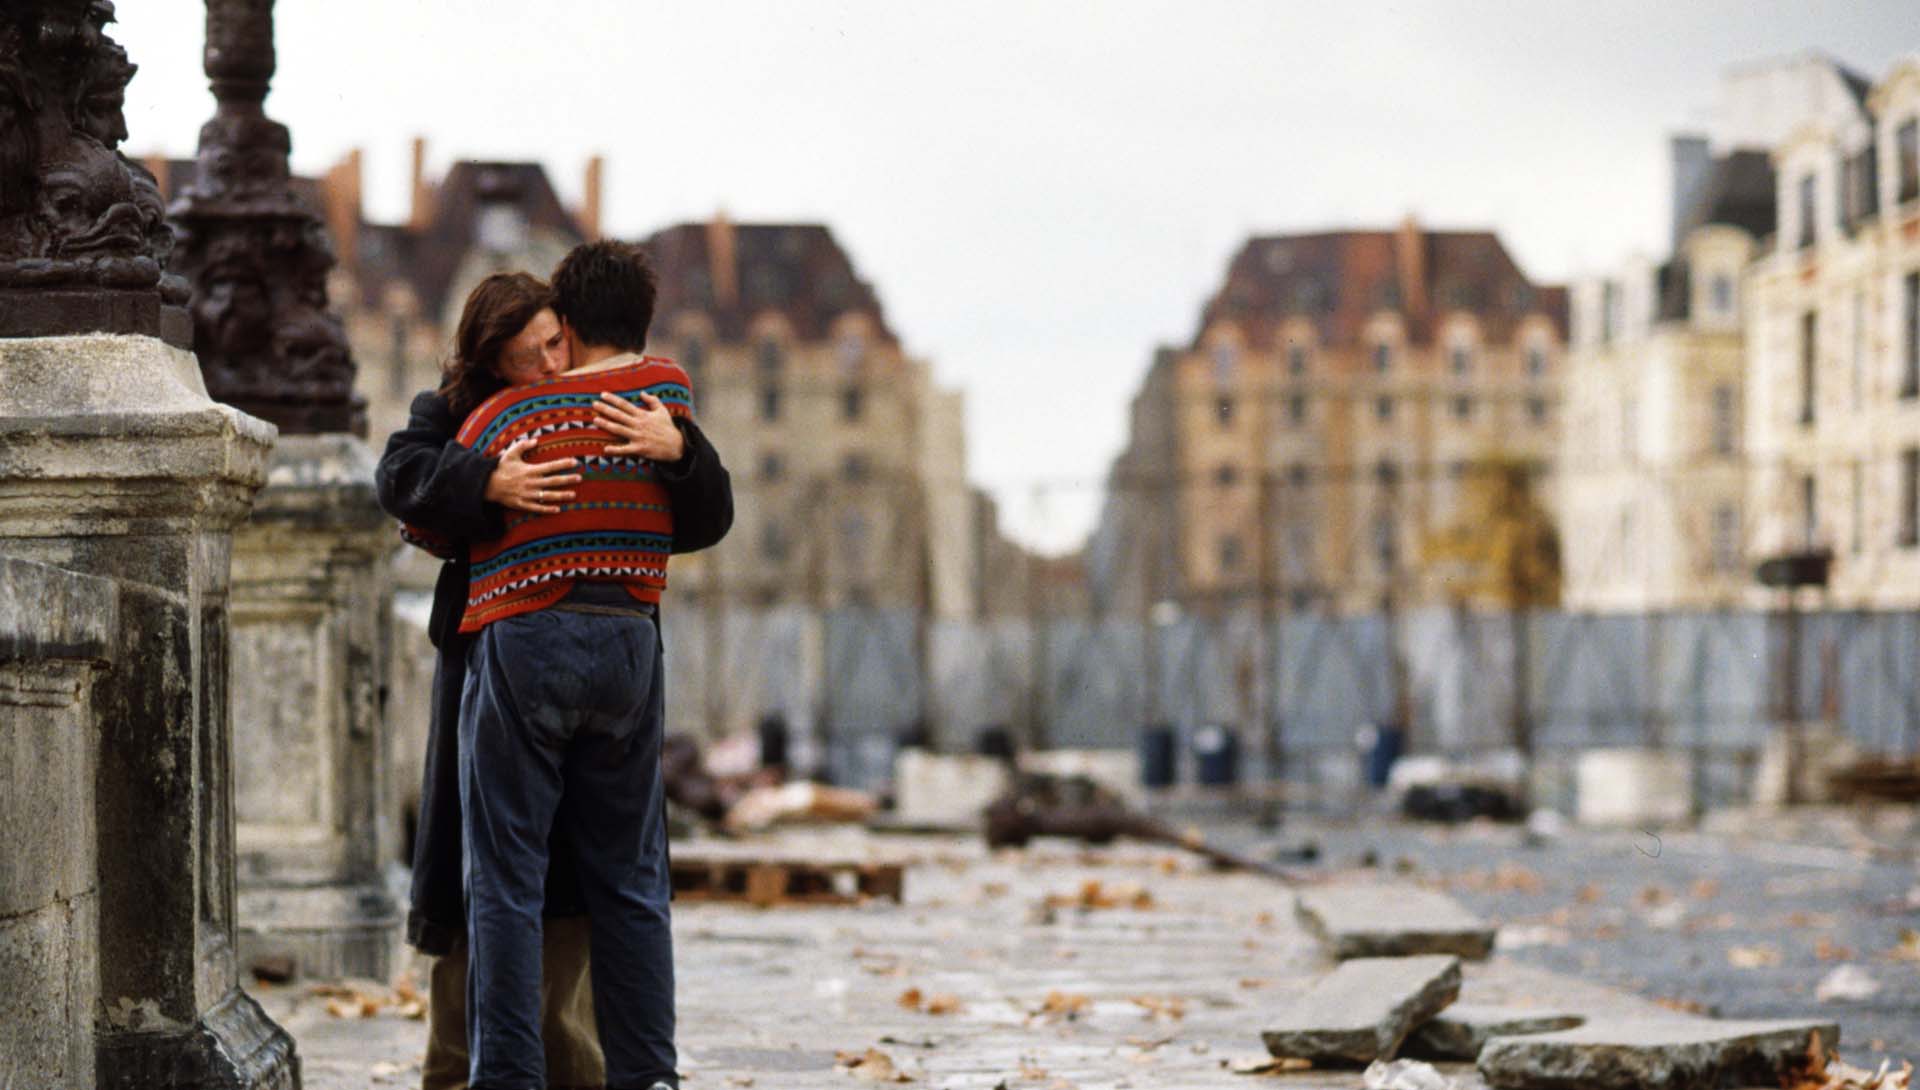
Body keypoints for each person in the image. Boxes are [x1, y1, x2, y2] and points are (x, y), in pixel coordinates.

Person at [375, 267, 731, 1090]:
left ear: (568, 325)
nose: (548, 364)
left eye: (554, 343)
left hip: (542, 645)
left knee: (539, 881)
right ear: (490, 360)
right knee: (519, 883)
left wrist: (679, 452)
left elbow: (708, 511)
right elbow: (400, 480)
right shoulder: (462, 414)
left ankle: (550, 1074)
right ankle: (513, 1070)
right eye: (529, 353)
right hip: (494, 658)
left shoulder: (633, 409)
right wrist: (485, 480)